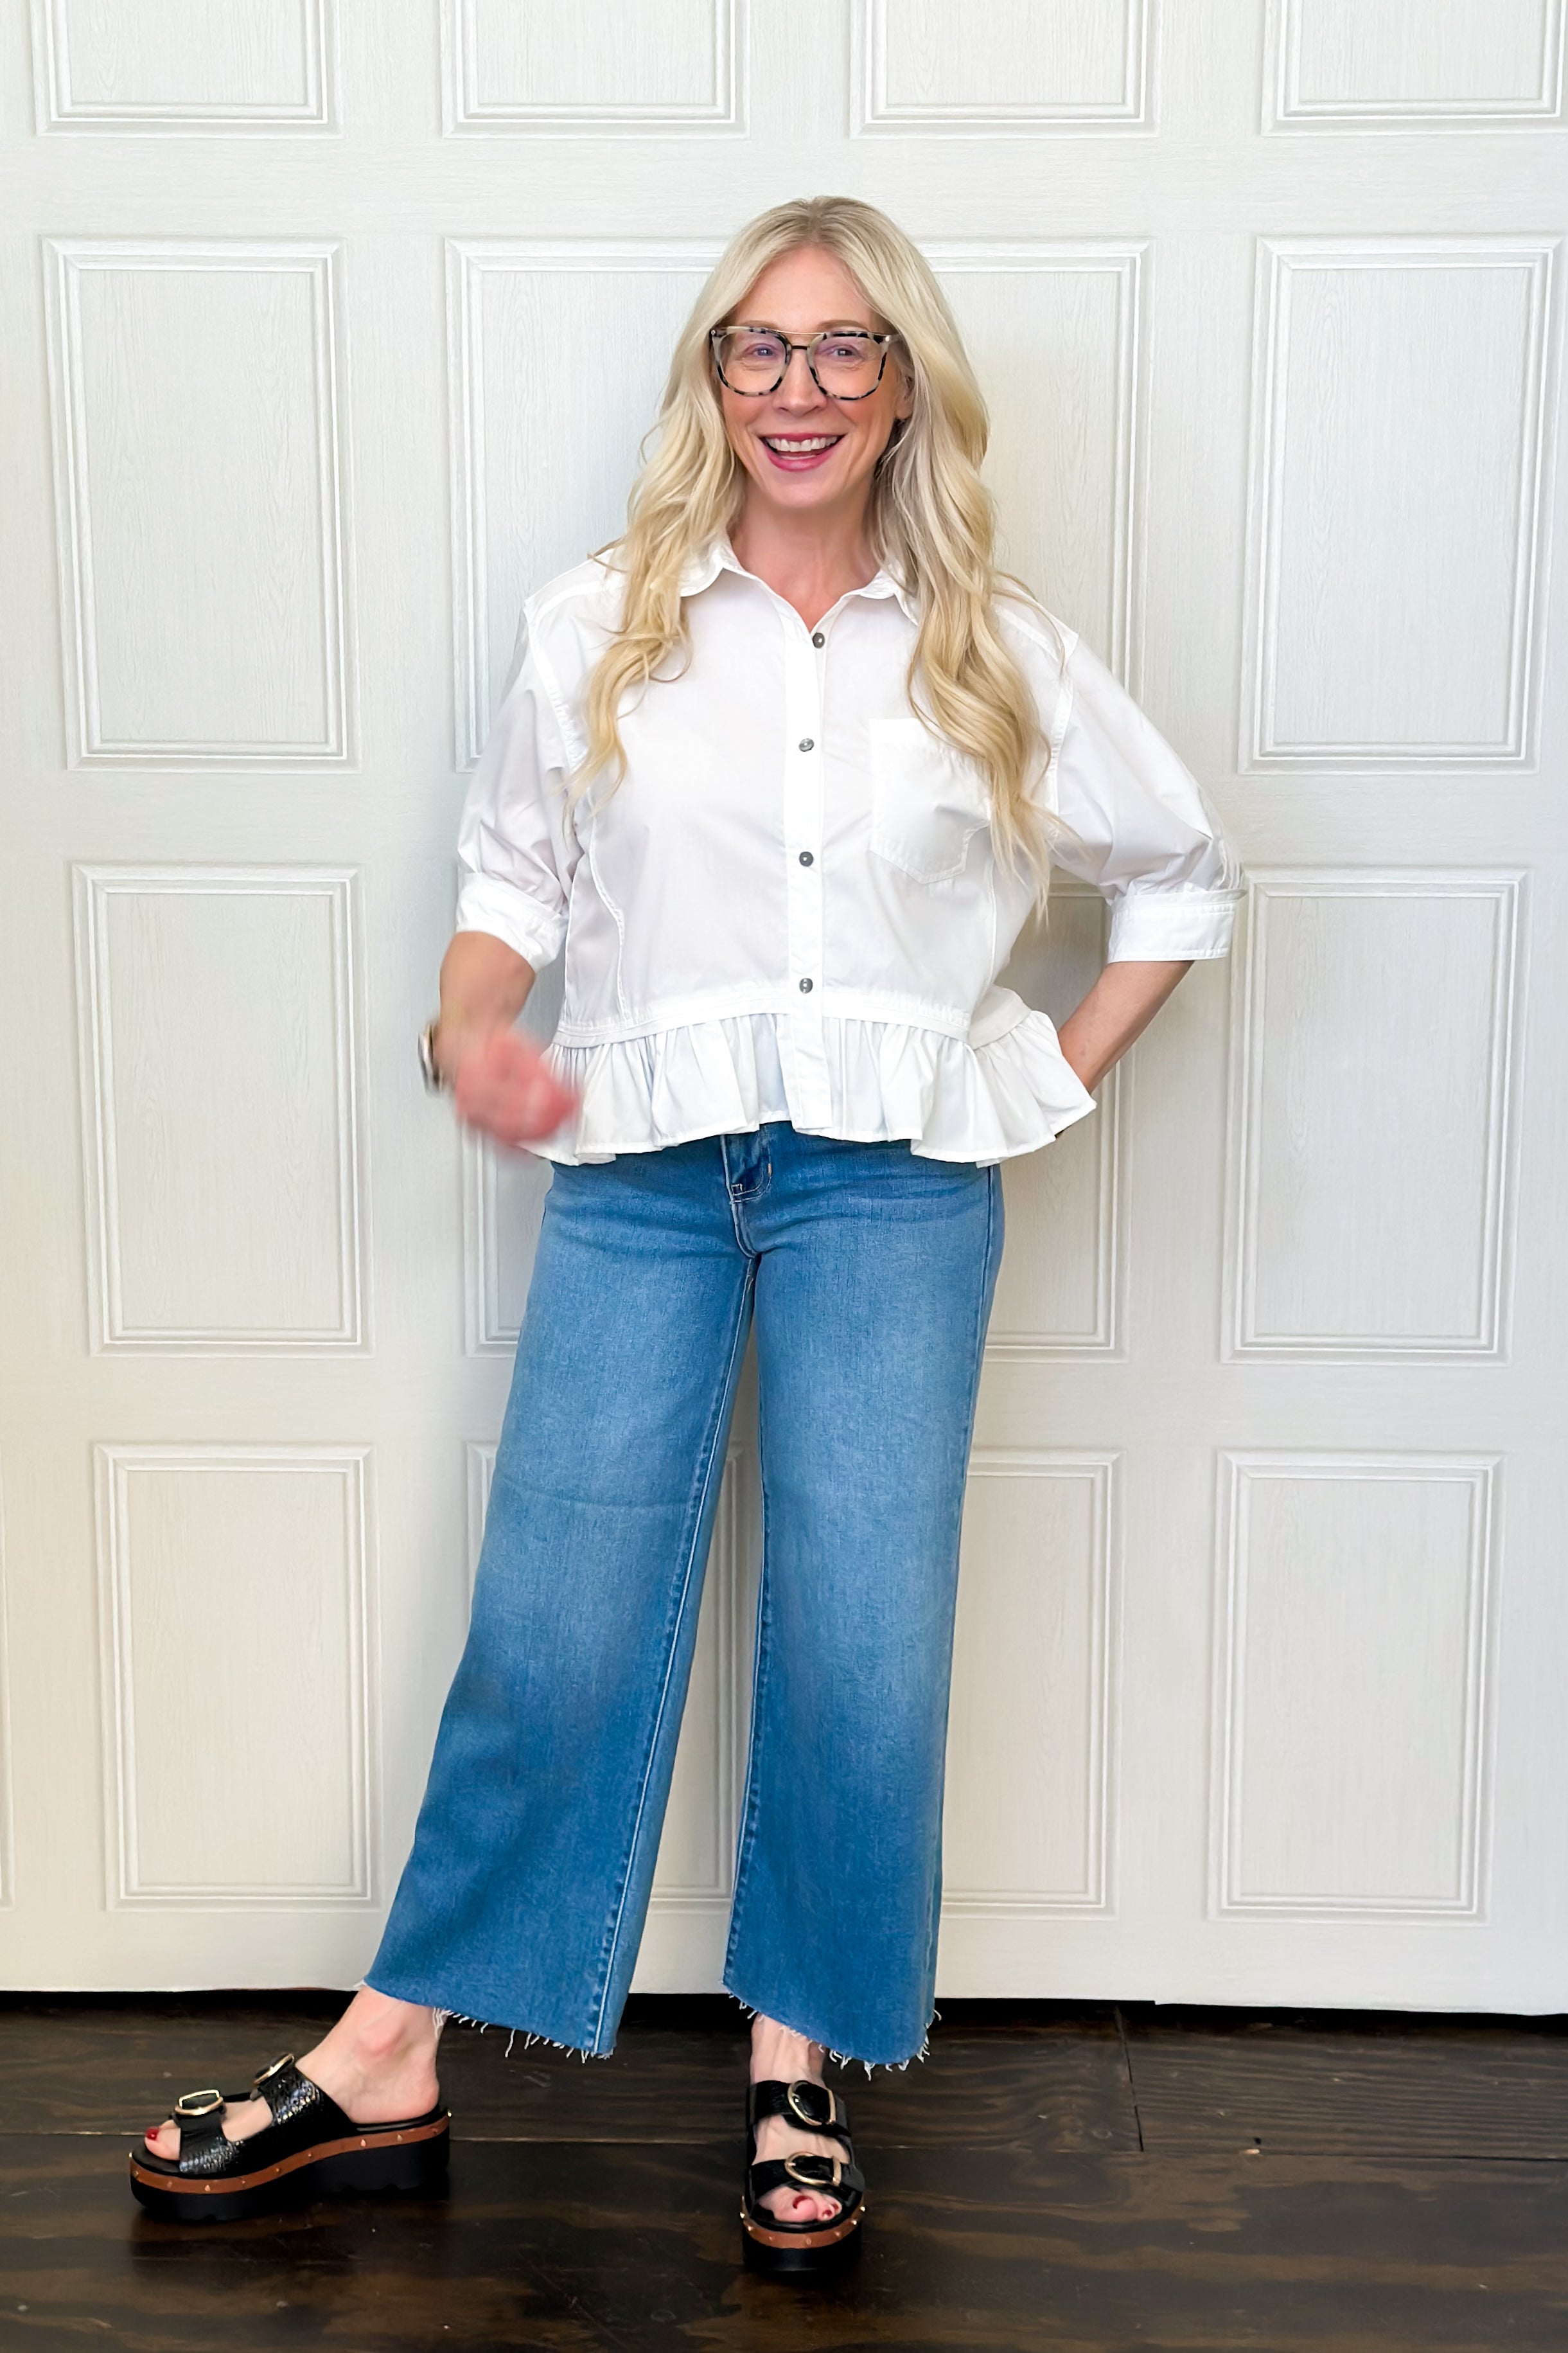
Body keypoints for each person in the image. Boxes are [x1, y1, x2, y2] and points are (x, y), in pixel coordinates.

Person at [128, 195, 1240, 2278]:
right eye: (757, 347)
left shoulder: (993, 645)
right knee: (551, 1626)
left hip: (890, 1185)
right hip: (641, 1175)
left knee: (861, 1639)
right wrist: (474, 1027)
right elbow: (508, 890)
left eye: (841, 348)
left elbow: (1178, 877)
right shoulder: (598, 622)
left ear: (901, 385)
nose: (796, 390)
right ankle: (389, 2053)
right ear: (711, 378)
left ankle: (794, 2063)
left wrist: (1033, 1077)